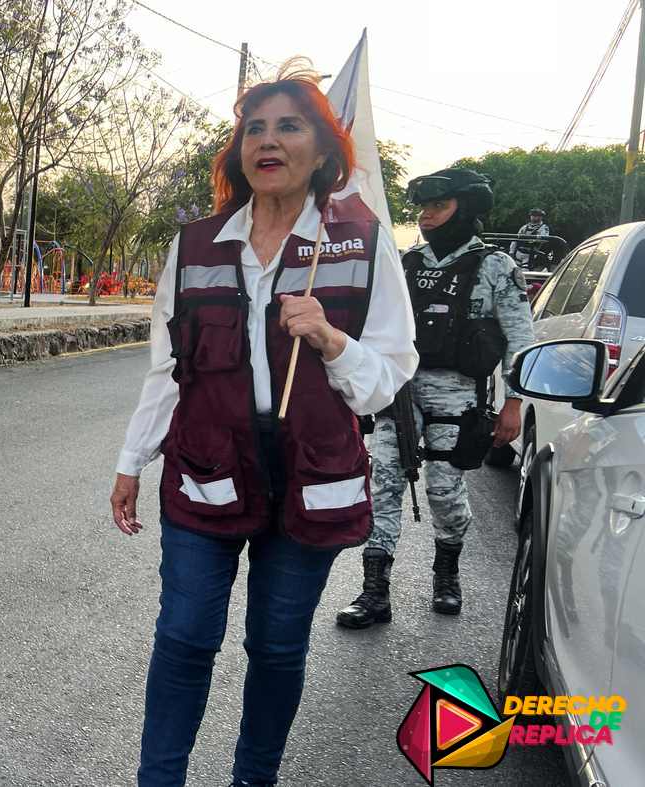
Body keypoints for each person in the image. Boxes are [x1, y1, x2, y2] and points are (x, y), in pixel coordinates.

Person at [109, 62, 417, 787]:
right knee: (183, 637)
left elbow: (387, 378)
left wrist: (333, 342)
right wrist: (132, 459)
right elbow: (168, 368)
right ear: (238, 148)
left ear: (323, 148)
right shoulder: (196, 244)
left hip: (314, 478)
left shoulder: (364, 245)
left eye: (289, 125)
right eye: (255, 128)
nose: (268, 141)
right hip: (206, 467)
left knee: (277, 647)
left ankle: (255, 778)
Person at [337, 168, 534, 628]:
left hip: (457, 396)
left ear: (465, 209)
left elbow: (520, 338)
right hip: (401, 394)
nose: (426, 217)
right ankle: (374, 592)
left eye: (438, 207)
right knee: (384, 482)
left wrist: (513, 403)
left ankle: (446, 571)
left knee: (444, 491)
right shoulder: (408, 263)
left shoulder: (496, 267)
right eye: (423, 208)